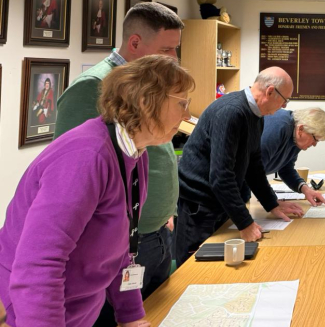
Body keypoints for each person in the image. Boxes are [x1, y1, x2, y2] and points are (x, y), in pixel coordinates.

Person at [0, 55, 194, 327]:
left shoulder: (135, 150)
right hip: (40, 313)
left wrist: (132, 316)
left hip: (80, 310)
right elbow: (39, 265)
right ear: (145, 101)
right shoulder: (86, 156)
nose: (187, 115)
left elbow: (123, 245)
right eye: (182, 104)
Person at [53, 2, 183, 325]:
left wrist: (165, 211)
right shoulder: (93, 88)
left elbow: (152, 159)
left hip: (152, 235)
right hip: (111, 252)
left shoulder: (150, 89)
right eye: (167, 49)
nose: (174, 59)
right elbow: (71, 180)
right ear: (135, 43)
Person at [176, 67, 305, 266]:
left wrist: (271, 204)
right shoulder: (231, 112)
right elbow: (220, 176)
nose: (284, 106)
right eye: (285, 100)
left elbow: (253, 166)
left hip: (220, 202)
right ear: (270, 92)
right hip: (200, 204)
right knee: (196, 266)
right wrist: (245, 222)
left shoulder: (256, 116)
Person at [258, 107, 325, 207]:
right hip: (235, 177)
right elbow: (254, 171)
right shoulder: (279, 126)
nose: (314, 144)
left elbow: (286, 169)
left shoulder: (296, 139)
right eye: (315, 139)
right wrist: (273, 203)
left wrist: (305, 189)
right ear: (301, 129)